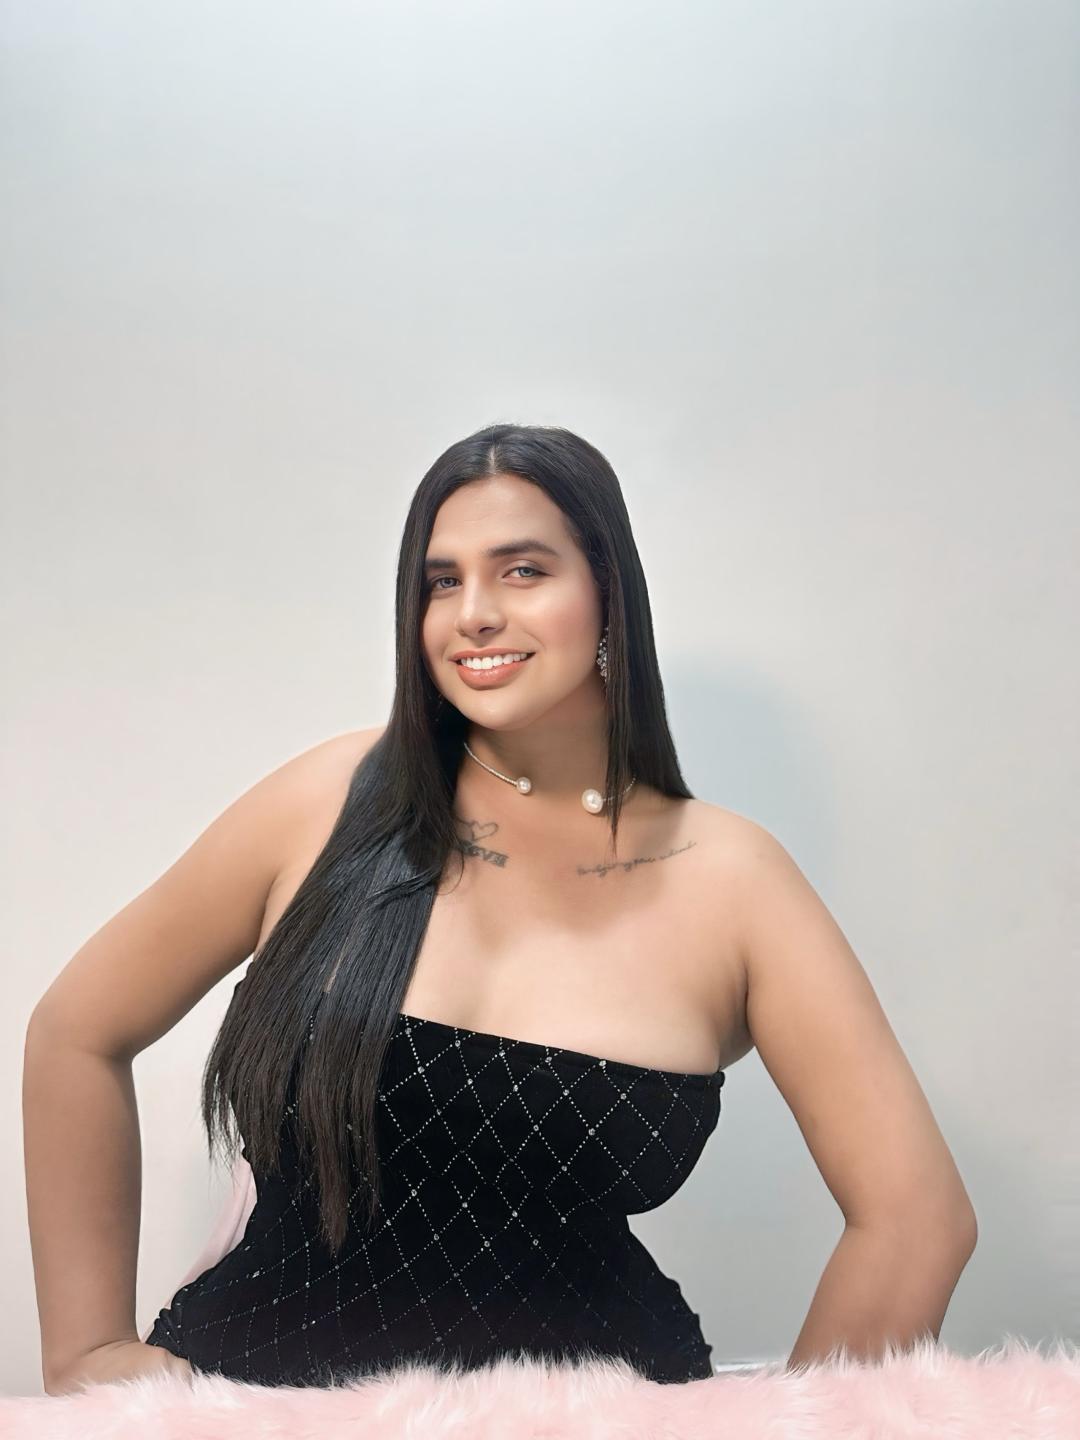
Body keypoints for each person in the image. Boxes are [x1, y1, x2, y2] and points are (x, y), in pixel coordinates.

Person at [24, 423, 976, 1394]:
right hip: (250, 1407)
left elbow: (918, 1219)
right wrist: (87, 1351)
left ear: (607, 590)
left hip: (603, 1416)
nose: (474, 613)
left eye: (522, 571)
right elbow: (76, 1032)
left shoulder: (733, 878)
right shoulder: (329, 802)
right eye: (442, 581)